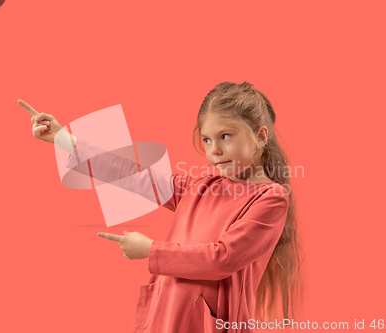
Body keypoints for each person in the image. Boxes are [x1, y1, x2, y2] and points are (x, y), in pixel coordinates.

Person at [18, 81, 304, 333]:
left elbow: (223, 259)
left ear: (261, 136)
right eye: (207, 139)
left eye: (225, 137)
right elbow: (136, 175)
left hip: (206, 324)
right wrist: (63, 139)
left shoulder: (271, 198)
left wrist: (150, 250)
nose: (214, 150)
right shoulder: (202, 185)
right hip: (165, 316)